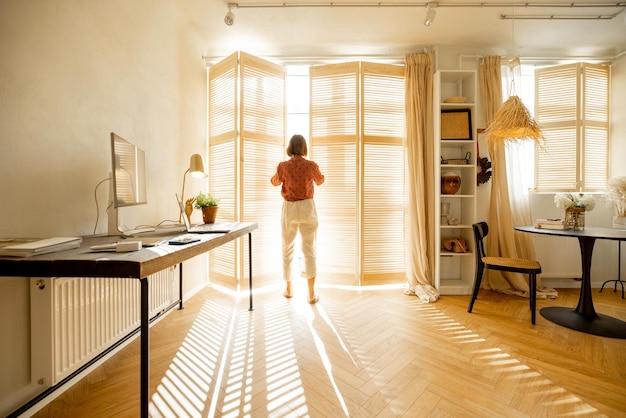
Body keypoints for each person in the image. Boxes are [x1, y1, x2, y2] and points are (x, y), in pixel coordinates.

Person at [271, 134, 325, 304]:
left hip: (290, 208)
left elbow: (274, 182)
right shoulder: (311, 165)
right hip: (308, 207)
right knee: (309, 249)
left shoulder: (283, 166)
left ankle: (288, 289)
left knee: (287, 247)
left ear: (290, 147)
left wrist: (279, 177)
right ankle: (311, 294)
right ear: (304, 148)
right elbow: (321, 181)